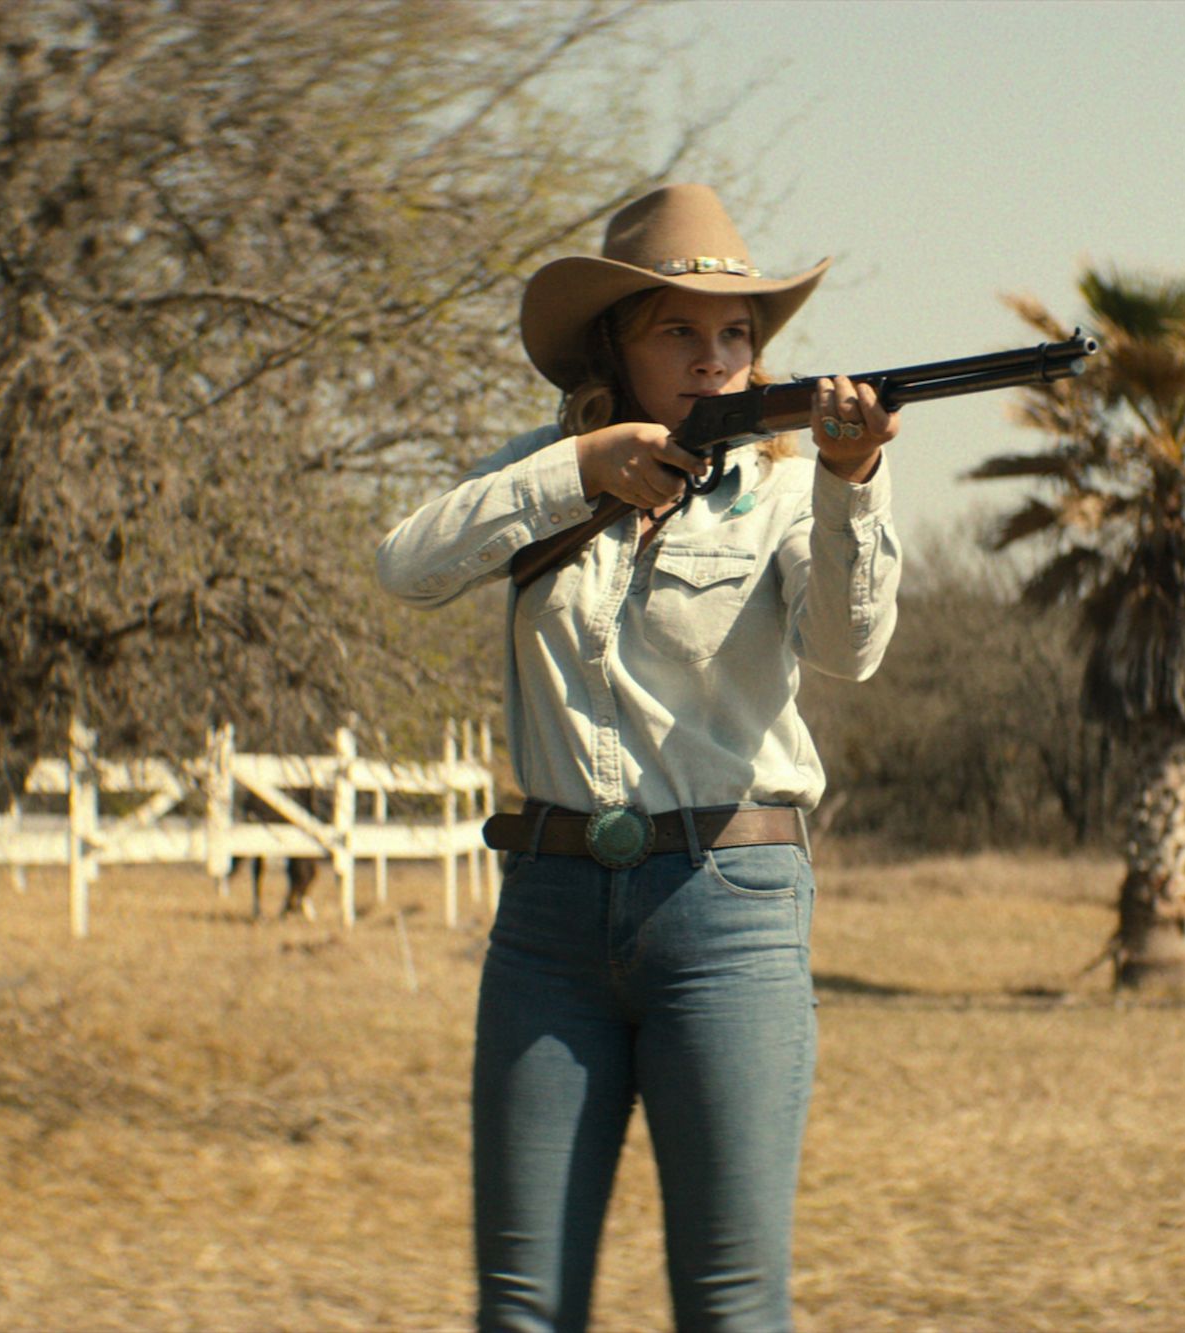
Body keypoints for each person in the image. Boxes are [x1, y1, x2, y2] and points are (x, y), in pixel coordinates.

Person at [376, 183, 900, 1333]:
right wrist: (581, 471)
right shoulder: (547, 469)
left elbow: (848, 650)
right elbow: (404, 565)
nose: (715, 357)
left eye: (737, 334)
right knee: (521, 1305)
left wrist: (851, 484)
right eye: (680, 330)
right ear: (616, 339)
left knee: (729, 1302)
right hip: (548, 915)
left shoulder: (783, 487)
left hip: (731, 909)